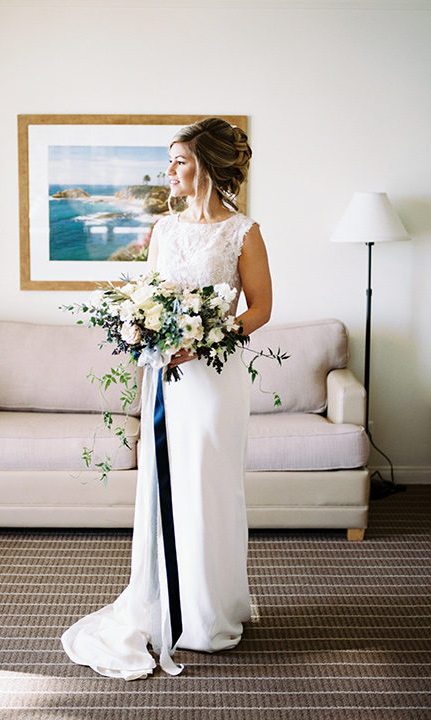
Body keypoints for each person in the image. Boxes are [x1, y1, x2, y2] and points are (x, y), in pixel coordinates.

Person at [61, 117, 273, 680]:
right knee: (165, 488)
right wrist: (143, 332)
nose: (170, 171)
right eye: (170, 160)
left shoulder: (244, 232)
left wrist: (205, 342)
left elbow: (259, 309)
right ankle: (164, 606)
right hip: (167, 377)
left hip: (214, 380)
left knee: (210, 485)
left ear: (204, 166)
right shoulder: (165, 229)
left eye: (179, 161)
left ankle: (210, 612)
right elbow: (150, 297)